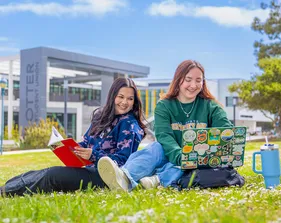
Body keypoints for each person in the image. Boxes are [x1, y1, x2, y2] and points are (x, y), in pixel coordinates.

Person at [97, 60, 233, 191]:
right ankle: (124, 177)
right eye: (188, 79)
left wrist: (191, 157)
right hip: (169, 153)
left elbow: (226, 133)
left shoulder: (211, 106)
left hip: (197, 157)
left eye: (198, 80)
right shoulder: (164, 105)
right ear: (179, 80)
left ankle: (156, 180)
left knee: (191, 162)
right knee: (156, 148)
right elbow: (164, 136)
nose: (193, 85)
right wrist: (181, 156)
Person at [0, 77, 146, 196]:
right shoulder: (101, 116)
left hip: (106, 178)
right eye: (121, 97)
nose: (125, 102)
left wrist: (93, 155)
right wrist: (69, 147)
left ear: (134, 102)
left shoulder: (129, 125)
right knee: (42, 172)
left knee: (52, 175)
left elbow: (123, 161)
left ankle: (7, 192)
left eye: (130, 99)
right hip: (89, 169)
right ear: (113, 96)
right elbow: (87, 142)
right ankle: (6, 187)